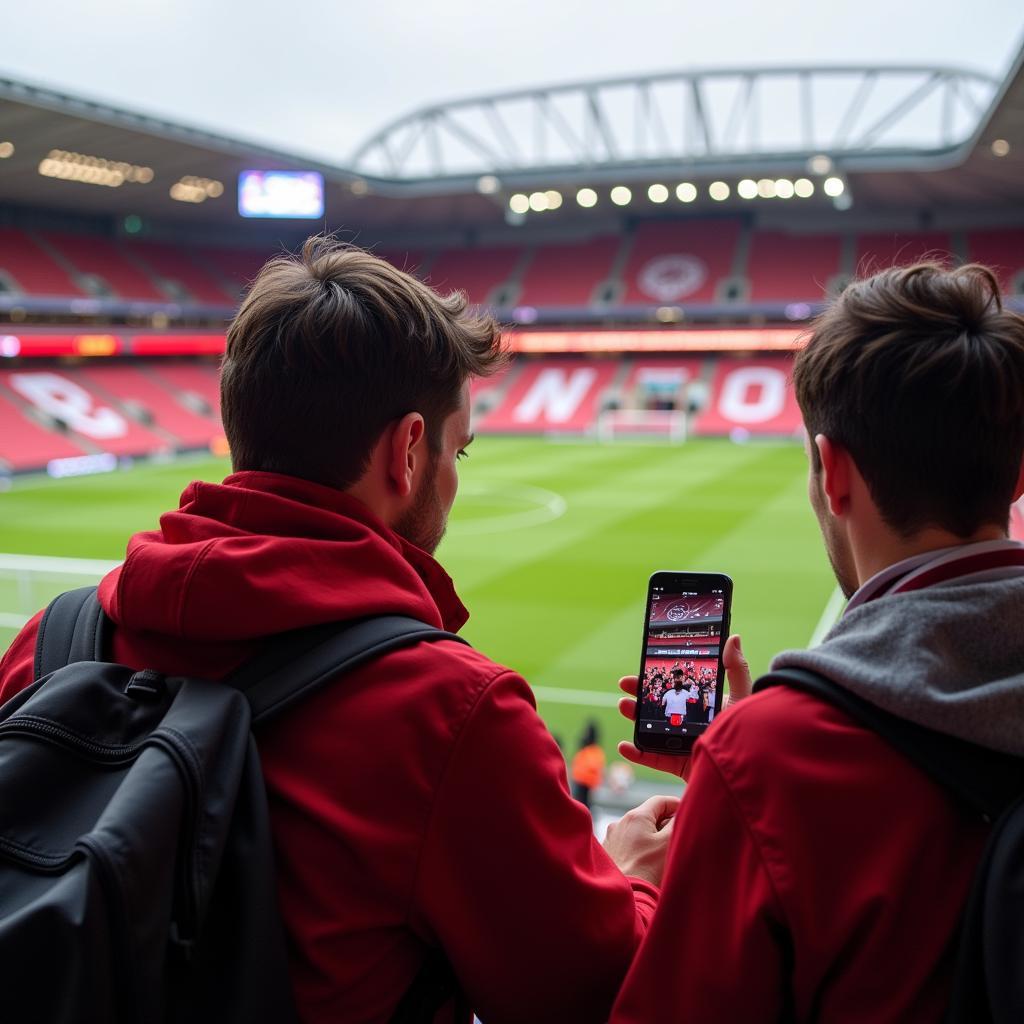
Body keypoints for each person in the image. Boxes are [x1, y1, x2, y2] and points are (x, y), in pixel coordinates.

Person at [0, 237, 698, 1024]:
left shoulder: (48, 641)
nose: (455, 474)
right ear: (407, 451)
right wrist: (635, 876)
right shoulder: (451, 713)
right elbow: (595, 996)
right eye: (457, 449)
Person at [611, 261, 1024, 1023]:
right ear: (1020, 471)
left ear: (833, 472)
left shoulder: (775, 758)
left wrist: (733, 791)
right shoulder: (762, 758)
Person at [570, 720, 606, 810]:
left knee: (582, 804)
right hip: (584, 781)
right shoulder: (595, 751)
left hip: (583, 781)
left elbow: (592, 766)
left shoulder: (591, 751)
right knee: (583, 804)